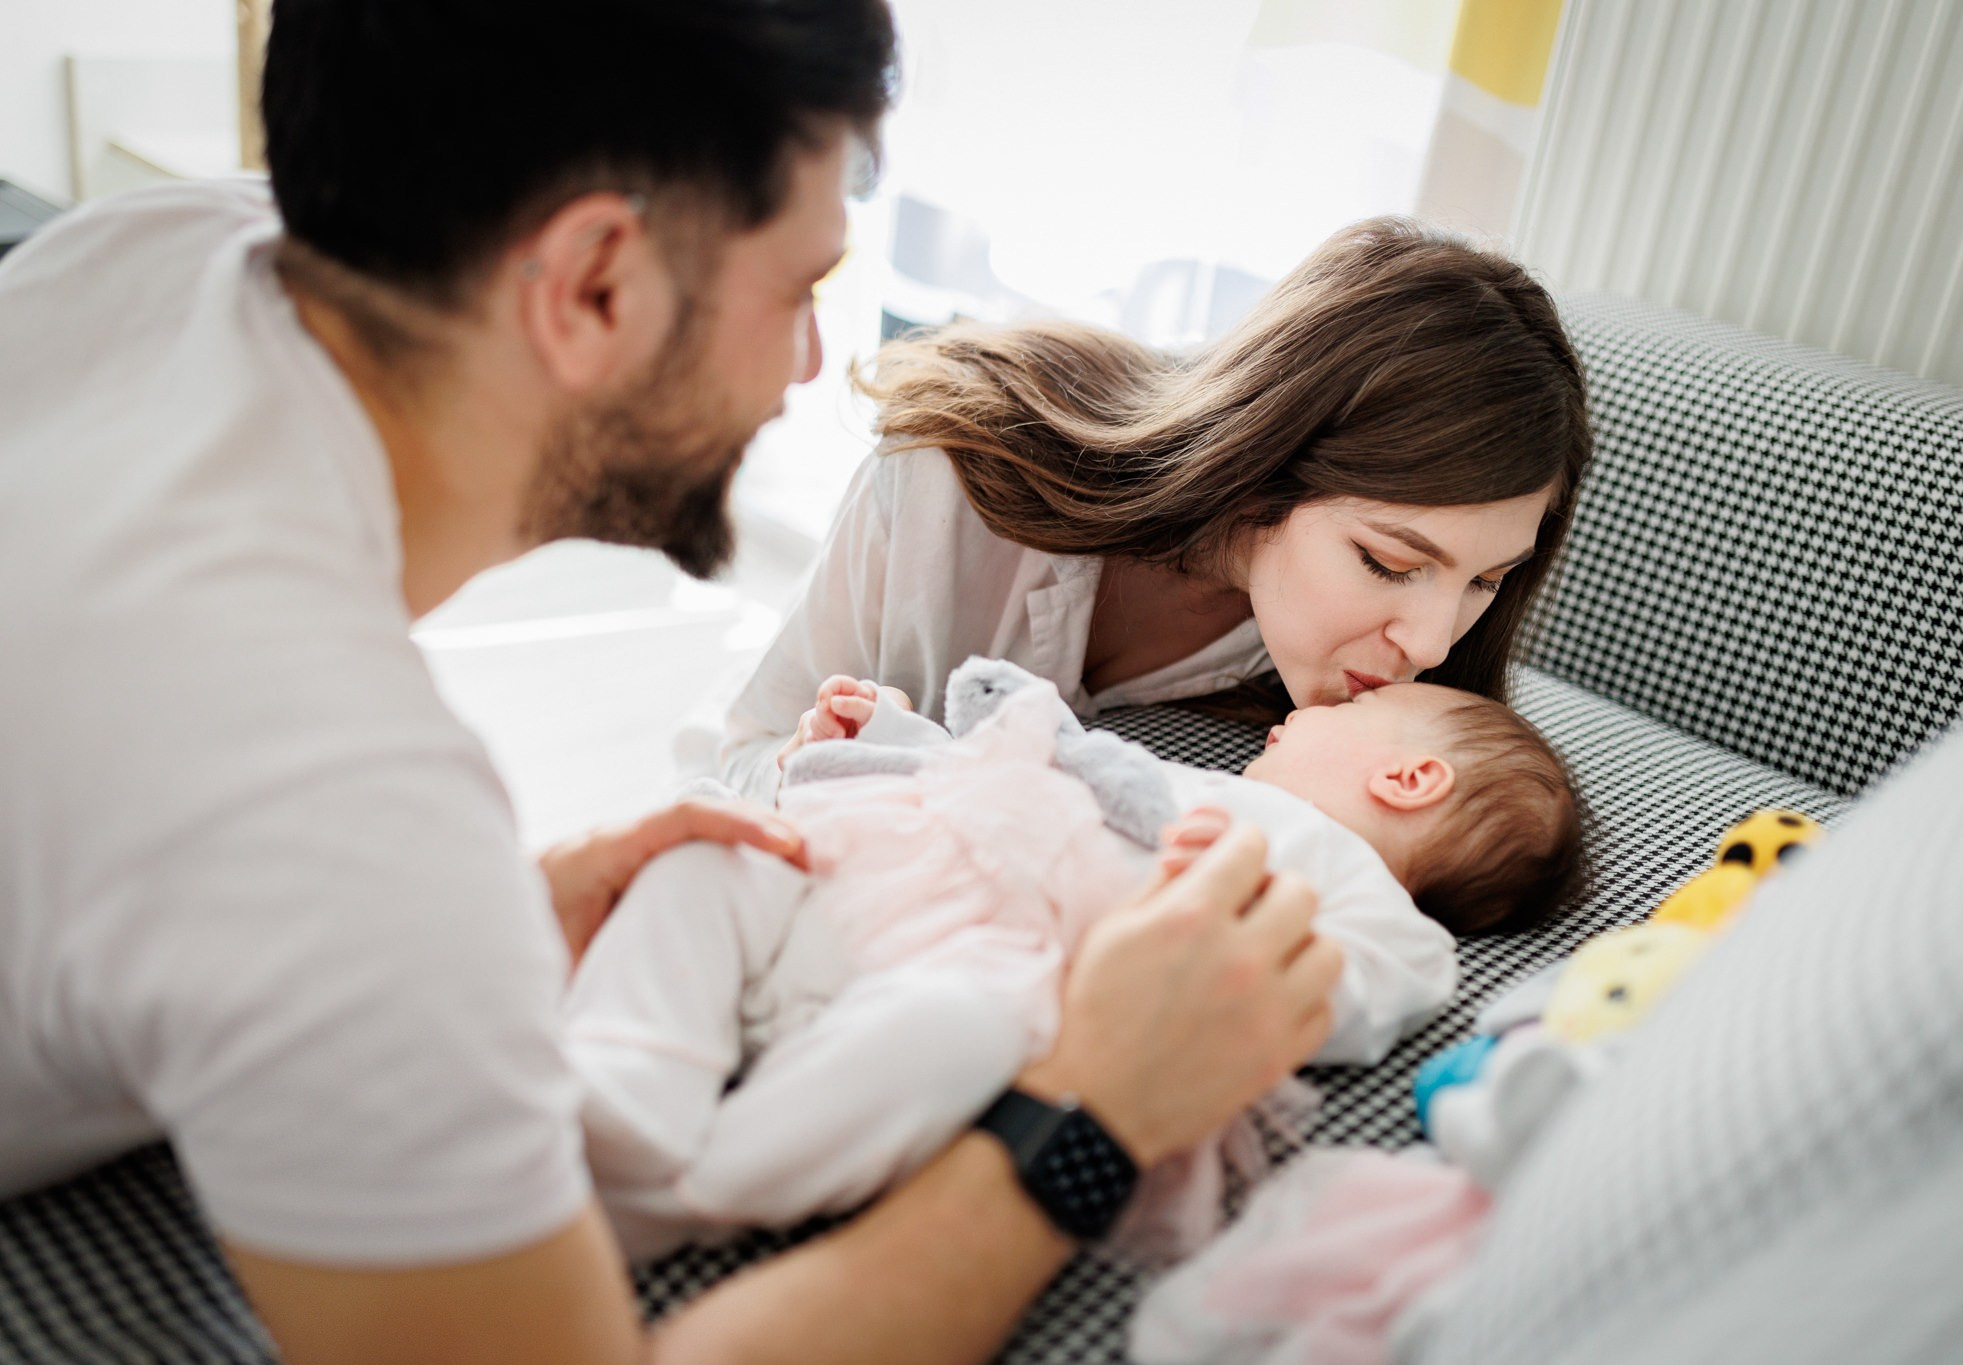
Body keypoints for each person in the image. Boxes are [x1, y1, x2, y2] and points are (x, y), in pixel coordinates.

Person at [0, 4, 1347, 1363]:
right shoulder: (329, 809)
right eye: (797, 290)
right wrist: (1089, 1115)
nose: (808, 364)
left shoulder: (155, 250)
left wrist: (453, 940)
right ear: (594, 285)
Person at [570, 668, 1584, 1261]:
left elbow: (1344, 990)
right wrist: (887, 730)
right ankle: (628, 1080)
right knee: (713, 855)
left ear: (1406, 777)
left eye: (1343, 712)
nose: (1296, 712)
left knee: (952, 1033)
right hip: (873, 870)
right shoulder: (1181, 779)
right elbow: (1020, 773)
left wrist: (1238, 907)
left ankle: (689, 1192)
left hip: (1002, 966)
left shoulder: (1363, 897)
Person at [718, 218, 1594, 803]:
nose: (1435, 643)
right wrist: (820, 764)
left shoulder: (1382, 697)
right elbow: (738, 757)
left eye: (1485, 579)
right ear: (1258, 472)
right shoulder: (952, 476)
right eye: (1389, 564)